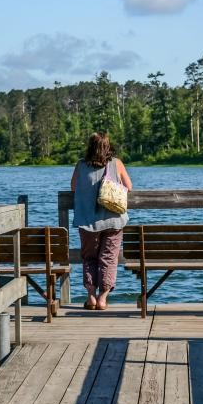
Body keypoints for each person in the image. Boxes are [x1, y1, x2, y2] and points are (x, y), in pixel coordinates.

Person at [70, 132, 132, 311]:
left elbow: (73, 187)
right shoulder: (116, 163)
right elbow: (129, 187)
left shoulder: (81, 165)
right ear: (107, 147)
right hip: (114, 221)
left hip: (88, 222)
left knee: (89, 258)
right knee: (109, 258)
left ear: (90, 146)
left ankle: (91, 297)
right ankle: (103, 298)